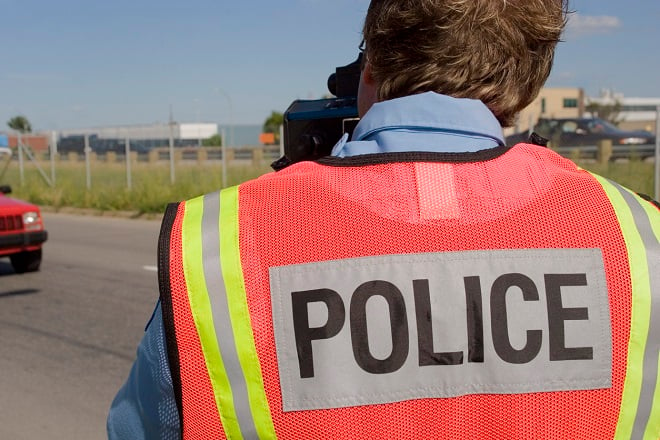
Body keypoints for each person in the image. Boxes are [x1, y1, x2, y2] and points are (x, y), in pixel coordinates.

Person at [108, 0, 660, 438]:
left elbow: (137, 428)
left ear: (372, 68)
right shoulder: (640, 238)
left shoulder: (219, 246)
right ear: (526, 83)